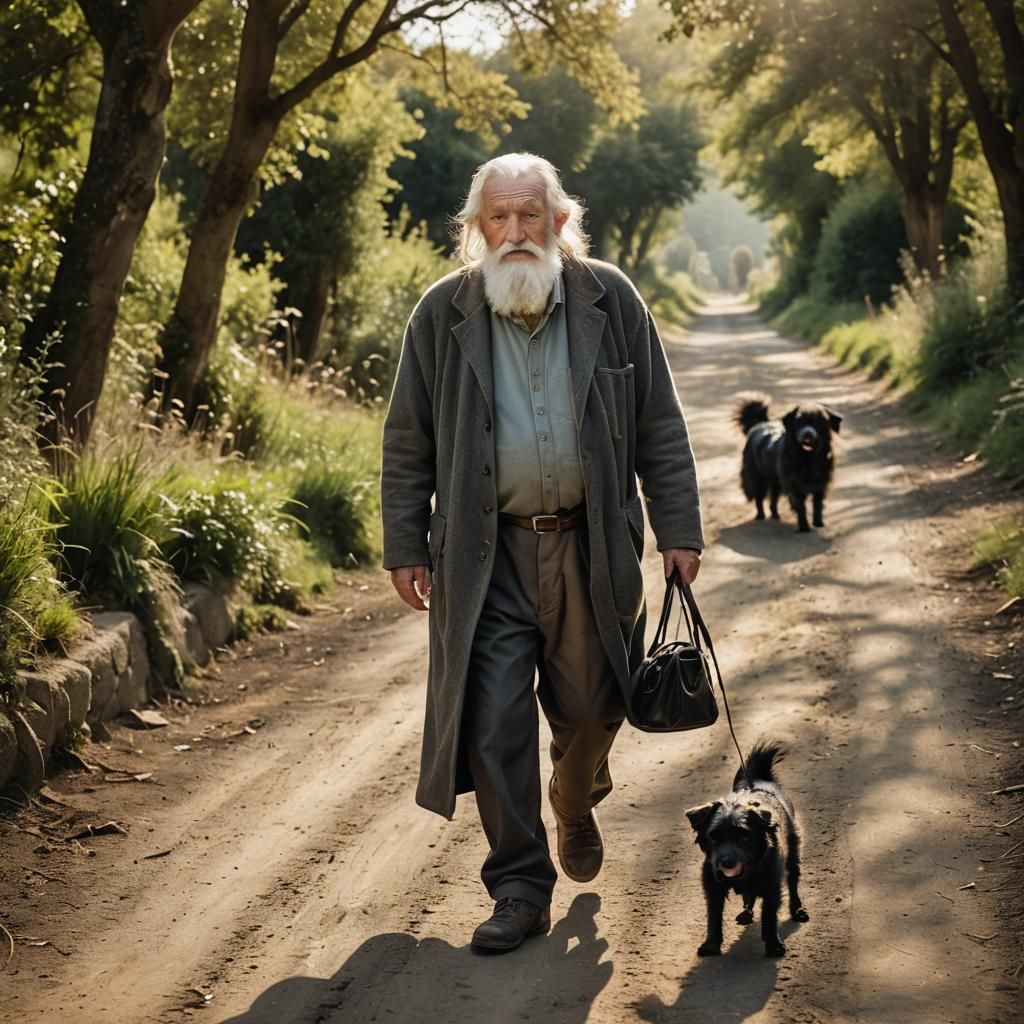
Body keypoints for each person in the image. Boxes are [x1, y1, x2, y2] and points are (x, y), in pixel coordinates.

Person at [381, 153, 703, 953]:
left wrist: (679, 528)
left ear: (560, 223)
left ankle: (574, 796)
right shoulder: (441, 313)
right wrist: (402, 544)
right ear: (476, 228)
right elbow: (406, 442)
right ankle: (520, 886)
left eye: (533, 216)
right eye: (501, 218)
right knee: (492, 723)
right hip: (484, 558)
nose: (517, 232)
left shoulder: (610, 297)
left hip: (590, 549)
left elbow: (660, 422)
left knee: (597, 708)